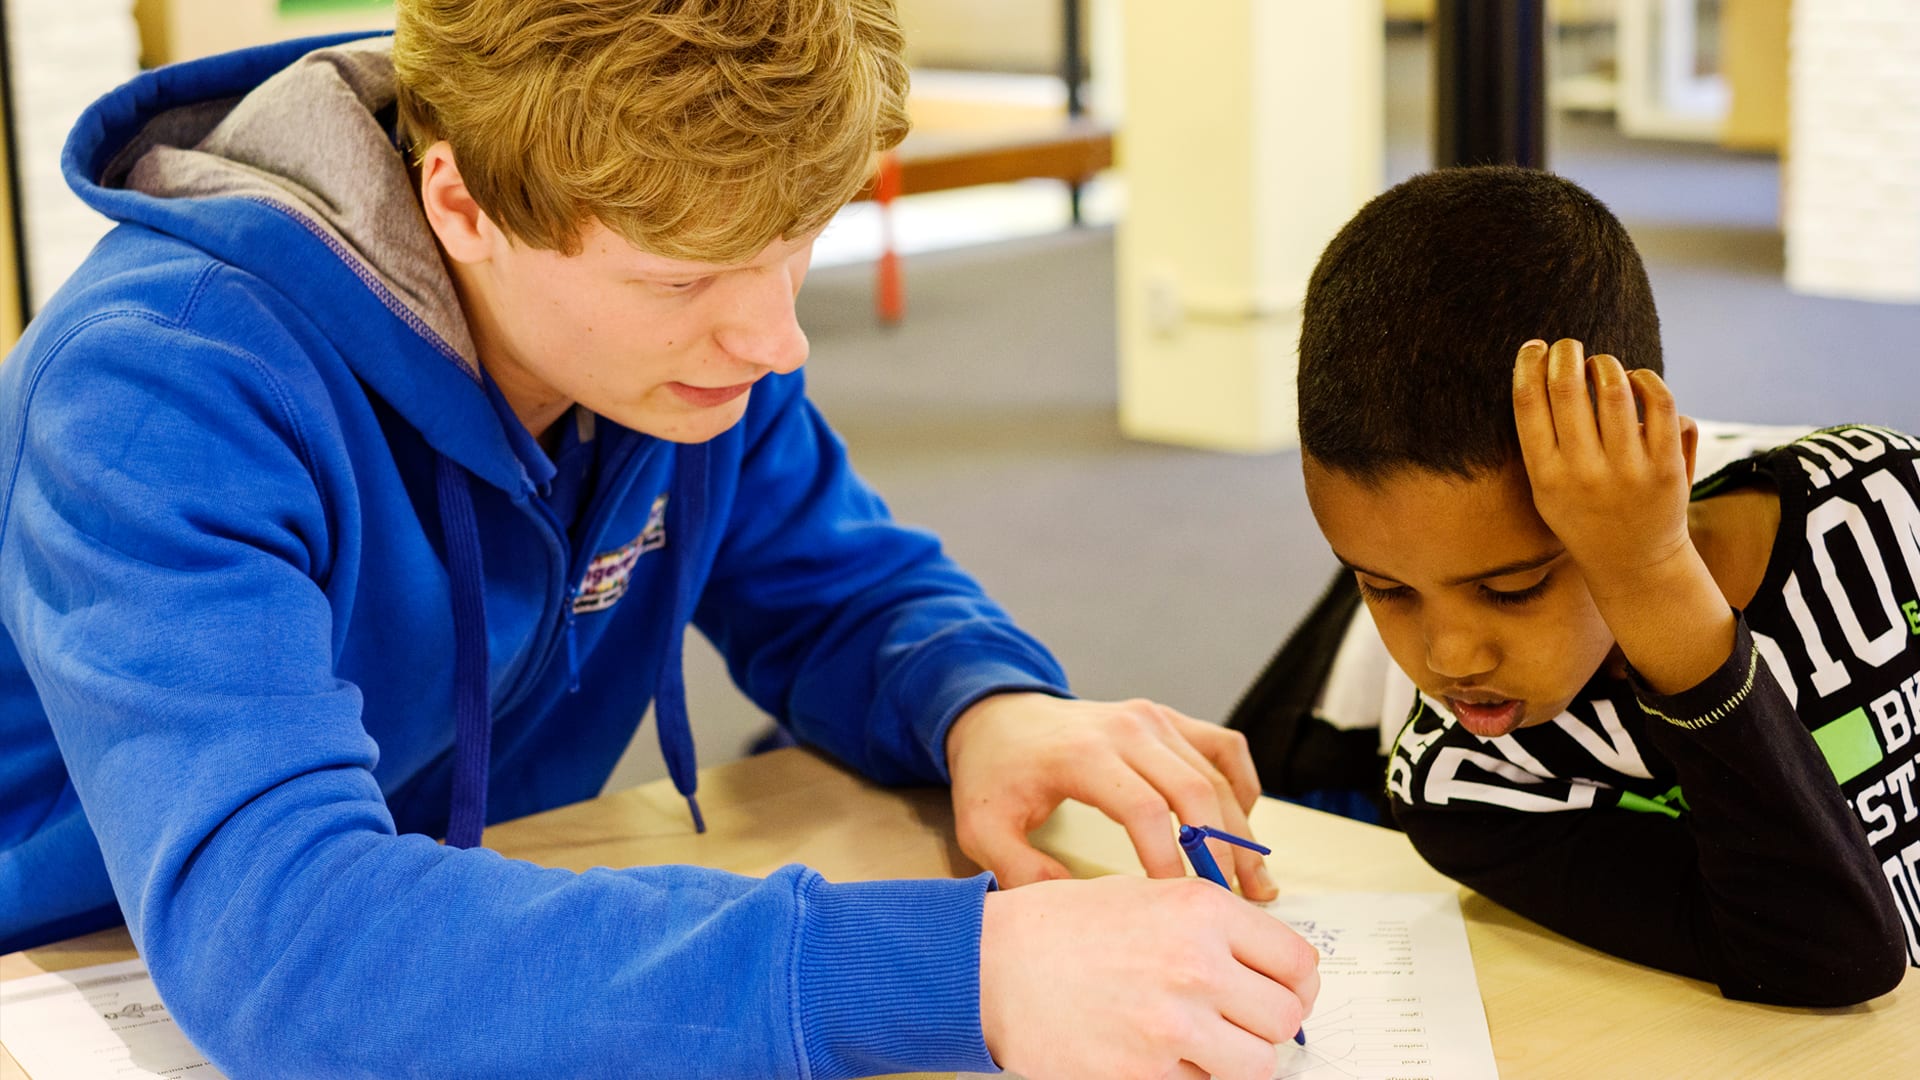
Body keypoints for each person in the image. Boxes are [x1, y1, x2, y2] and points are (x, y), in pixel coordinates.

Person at [0, 3, 1319, 1078]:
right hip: (76, 984)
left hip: (455, 961)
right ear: (460, 206)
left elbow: (838, 592)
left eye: (800, 248)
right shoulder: (155, 392)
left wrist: (988, 706)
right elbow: (287, 938)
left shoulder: (682, 355)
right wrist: (960, 973)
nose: (774, 340)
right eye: (682, 278)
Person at [1293, 164, 1912, 1007]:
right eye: (1384, 589)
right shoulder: (1473, 786)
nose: (1447, 655)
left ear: (1662, 471)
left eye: (1511, 588)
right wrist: (1656, 587)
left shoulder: (1887, 506)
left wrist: (1647, 562)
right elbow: (1826, 959)